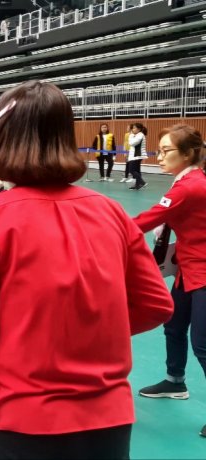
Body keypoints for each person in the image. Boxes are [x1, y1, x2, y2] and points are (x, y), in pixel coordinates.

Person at [0, 81, 174, 460]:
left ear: (5, 137)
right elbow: (155, 304)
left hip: (22, 419)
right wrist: (84, 328)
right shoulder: (111, 212)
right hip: (109, 424)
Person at [132, 125, 206, 437]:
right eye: (159, 150)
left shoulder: (189, 187)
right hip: (187, 269)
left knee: (203, 344)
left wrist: (98, 228)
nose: (159, 156)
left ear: (188, 154)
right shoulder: (186, 181)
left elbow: (144, 221)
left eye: (166, 151)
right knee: (174, 325)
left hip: (202, 271)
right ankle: (175, 381)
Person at [127, 122, 148, 190]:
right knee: (137, 170)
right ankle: (138, 184)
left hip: (137, 155)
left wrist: (131, 135)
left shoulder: (140, 135)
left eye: (134, 128)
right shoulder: (136, 135)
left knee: (132, 170)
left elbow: (132, 143)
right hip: (135, 155)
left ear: (138, 129)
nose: (132, 129)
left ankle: (142, 182)